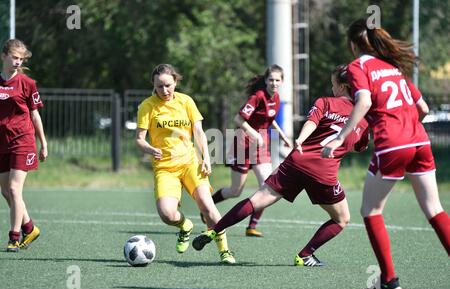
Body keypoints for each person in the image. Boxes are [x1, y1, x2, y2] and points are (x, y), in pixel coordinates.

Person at [192, 64, 369, 267]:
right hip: (322, 172)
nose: (332, 89)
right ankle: (304, 255)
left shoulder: (325, 102)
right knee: (341, 219)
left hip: (296, 161)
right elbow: (359, 147)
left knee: (256, 199)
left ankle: (215, 229)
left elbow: (311, 122)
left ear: (343, 86)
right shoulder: (363, 119)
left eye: (334, 85)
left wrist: (300, 139)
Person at [321, 19, 450, 289]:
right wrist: (407, 126)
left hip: (393, 145)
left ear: (354, 45)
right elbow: (424, 108)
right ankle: (388, 281)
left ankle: (389, 281)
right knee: (434, 209)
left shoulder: (359, 66)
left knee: (370, 211)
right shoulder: (394, 68)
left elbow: (364, 101)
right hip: (420, 140)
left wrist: (340, 137)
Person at [135, 63, 235, 264]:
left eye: (168, 85)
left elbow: (198, 132)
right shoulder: (147, 106)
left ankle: (225, 251)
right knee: (167, 214)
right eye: (159, 86)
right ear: (153, 85)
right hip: (165, 168)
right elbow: (139, 138)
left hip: (190, 162)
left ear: (175, 81)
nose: (164, 90)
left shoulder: (186, 101)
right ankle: (185, 226)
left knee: (208, 206)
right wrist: (149, 148)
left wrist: (206, 158)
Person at [203, 64, 292, 237]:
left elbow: (269, 119)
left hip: (260, 147)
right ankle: (207, 206)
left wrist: (282, 136)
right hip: (243, 145)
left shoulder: (277, 99)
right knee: (235, 191)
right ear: (266, 80)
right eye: (271, 79)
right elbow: (238, 119)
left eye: (277, 80)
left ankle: (251, 226)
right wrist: (254, 134)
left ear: (282, 82)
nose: (274, 83)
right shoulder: (257, 96)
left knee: (267, 186)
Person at [0, 39, 47, 252]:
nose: (18, 62)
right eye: (14, 57)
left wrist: (43, 144)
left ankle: (14, 237)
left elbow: (35, 116)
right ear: (4, 56)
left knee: (13, 188)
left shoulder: (27, 83)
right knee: (6, 192)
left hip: (23, 141)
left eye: (21, 58)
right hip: (2, 143)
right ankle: (30, 227)